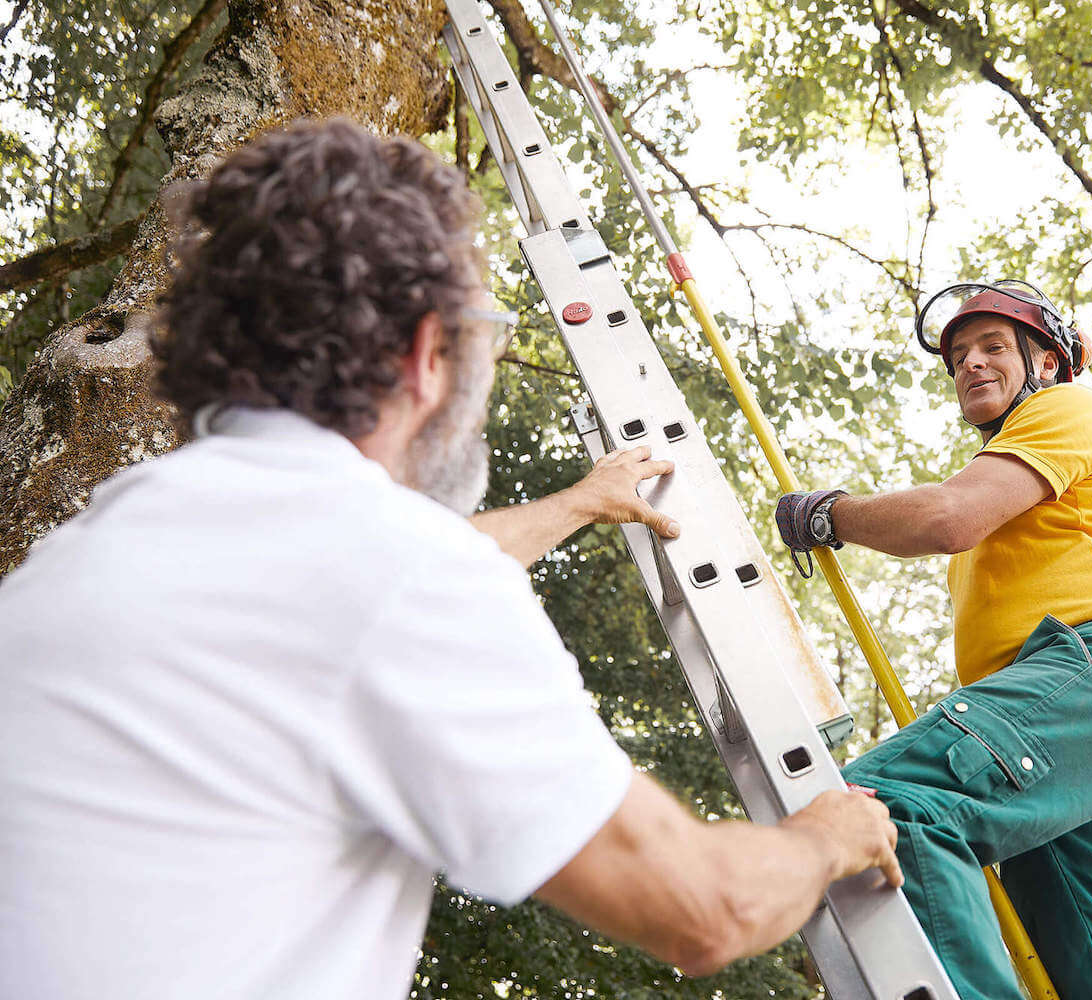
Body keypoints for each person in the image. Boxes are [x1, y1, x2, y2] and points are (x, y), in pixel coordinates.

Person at [0, 118, 902, 999]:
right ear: (426, 350)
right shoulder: (389, 574)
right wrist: (830, 833)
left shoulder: (80, 563)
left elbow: (346, 592)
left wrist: (582, 502)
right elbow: (705, 909)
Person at [775, 280, 1092, 1000]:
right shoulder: (1016, 488)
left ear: (1050, 363)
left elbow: (948, 518)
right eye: (959, 355)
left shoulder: (1069, 408)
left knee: (889, 803)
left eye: (994, 346)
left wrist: (830, 516)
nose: (970, 362)